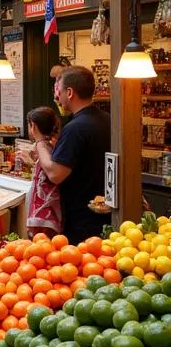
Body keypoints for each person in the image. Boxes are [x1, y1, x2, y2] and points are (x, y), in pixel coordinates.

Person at [34, 65, 110, 243]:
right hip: (106, 215)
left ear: (69, 92)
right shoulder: (108, 119)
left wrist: (39, 143)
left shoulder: (75, 128)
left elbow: (56, 174)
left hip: (83, 222)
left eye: (58, 92)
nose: (56, 98)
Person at [26, 107, 62, 237]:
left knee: (42, 246)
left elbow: (49, 170)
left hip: (44, 209)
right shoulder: (54, 144)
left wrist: (39, 143)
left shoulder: (42, 145)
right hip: (50, 209)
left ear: (33, 126)